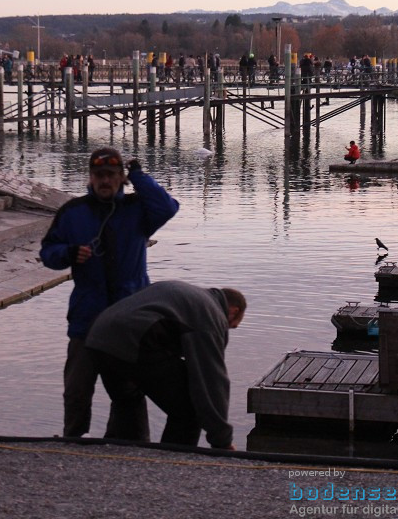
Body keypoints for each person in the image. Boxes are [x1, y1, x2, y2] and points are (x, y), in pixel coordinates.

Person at [40, 147, 180, 439]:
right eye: (99, 175)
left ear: (121, 178)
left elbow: (168, 207)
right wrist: (68, 253)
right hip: (86, 319)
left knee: (129, 391)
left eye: (112, 176)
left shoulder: (138, 210)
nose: (105, 181)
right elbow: (48, 252)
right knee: (77, 390)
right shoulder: (72, 212)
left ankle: (131, 446)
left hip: (130, 321)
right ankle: (71, 441)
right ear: (90, 178)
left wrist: (139, 176)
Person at [86, 280, 246, 450]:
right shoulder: (210, 314)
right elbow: (211, 378)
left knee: (128, 400)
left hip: (98, 339)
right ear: (233, 311)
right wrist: (222, 441)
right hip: (135, 340)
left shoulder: (187, 295)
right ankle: (171, 463)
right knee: (190, 410)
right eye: (231, 327)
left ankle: (130, 457)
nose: (226, 330)